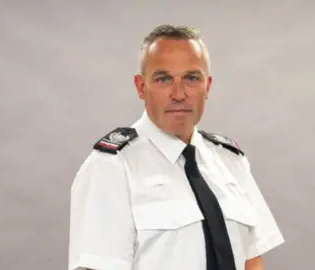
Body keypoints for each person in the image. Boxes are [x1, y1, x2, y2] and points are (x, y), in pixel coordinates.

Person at [68, 24, 285, 270]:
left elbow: (252, 260)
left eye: (191, 78)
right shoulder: (111, 167)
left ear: (208, 86)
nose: (179, 93)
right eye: (164, 79)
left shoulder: (231, 161)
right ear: (141, 87)